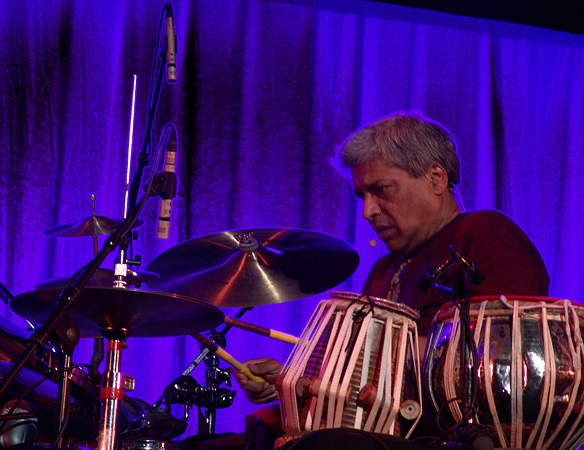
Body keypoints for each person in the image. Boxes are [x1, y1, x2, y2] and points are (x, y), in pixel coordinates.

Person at [233, 111, 550, 448]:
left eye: (381, 190)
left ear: (436, 178)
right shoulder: (384, 270)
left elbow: (505, 358)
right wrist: (295, 381)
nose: (368, 211)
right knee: (259, 428)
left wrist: (378, 353)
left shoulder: (484, 232)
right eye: (362, 196)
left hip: (455, 436)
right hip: (387, 431)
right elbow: (363, 378)